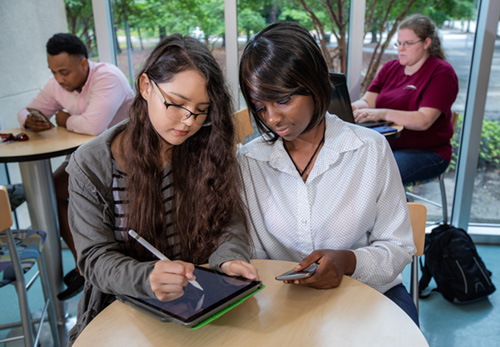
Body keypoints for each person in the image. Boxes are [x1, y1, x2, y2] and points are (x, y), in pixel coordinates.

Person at [65, 34, 258, 344]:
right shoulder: (92, 163)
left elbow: (227, 221)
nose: (188, 121)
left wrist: (230, 258)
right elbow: (95, 258)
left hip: (199, 303)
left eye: (201, 110)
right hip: (123, 310)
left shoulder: (205, 145)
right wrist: (146, 277)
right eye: (176, 104)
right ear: (145, 87)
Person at [238, 22, 418, 325]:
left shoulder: (369, 150)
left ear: (316, 85)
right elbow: (249, 250)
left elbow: (398, 247)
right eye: (260, 106)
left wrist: (349, 261)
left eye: (283, 100)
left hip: (369, 295)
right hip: (284, 303)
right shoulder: (250, 161)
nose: (271, 118)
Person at [17, 33, 135, 300]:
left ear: (84, 64)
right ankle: (84, 267)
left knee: (56, 190)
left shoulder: (108, 77)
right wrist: (29, 120)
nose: (59, 79)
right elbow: (28, 110)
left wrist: (62, 119)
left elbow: (93, 127)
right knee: (50, 192)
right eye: (53, 72)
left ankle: (94, 266)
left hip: (125, 162)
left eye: (64, 72)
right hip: (86, 161)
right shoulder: (58, 83)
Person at [351, 14, 459, 185]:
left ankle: (396, 209)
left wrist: (381, 113)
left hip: (427, 152)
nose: (401, 49)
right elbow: (368, 102)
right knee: (346, 167)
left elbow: (423, 120)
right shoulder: (390, 68)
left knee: (373, 177)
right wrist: (353, 108)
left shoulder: (442, 73)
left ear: (426, 43)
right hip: (386, 146)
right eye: (399, 43)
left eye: (407, 44)